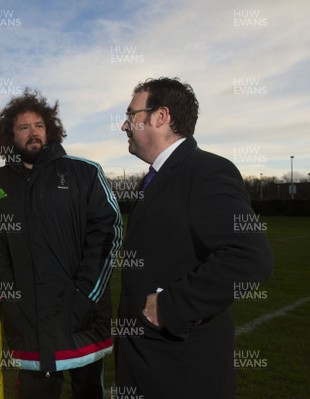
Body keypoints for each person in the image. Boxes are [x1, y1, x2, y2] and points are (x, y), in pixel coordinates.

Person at [115, 77, 273, 398]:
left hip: (181, 370)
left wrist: (170, 306)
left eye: (132, 115)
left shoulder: (205, 170)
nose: (124, 125)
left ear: (160, 117)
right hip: (148, 363)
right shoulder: (155, 178)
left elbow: (249, 256)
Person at [0, 89, 123, 398]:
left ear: (49, 129)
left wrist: (84, 296)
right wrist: (10, 301)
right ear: (11, 136)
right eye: (23, 127)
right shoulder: (0, 182)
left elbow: (108, 231)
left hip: (81, 321)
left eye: (38, 125)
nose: (32, 132)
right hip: (28, 324)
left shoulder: (84, 172)